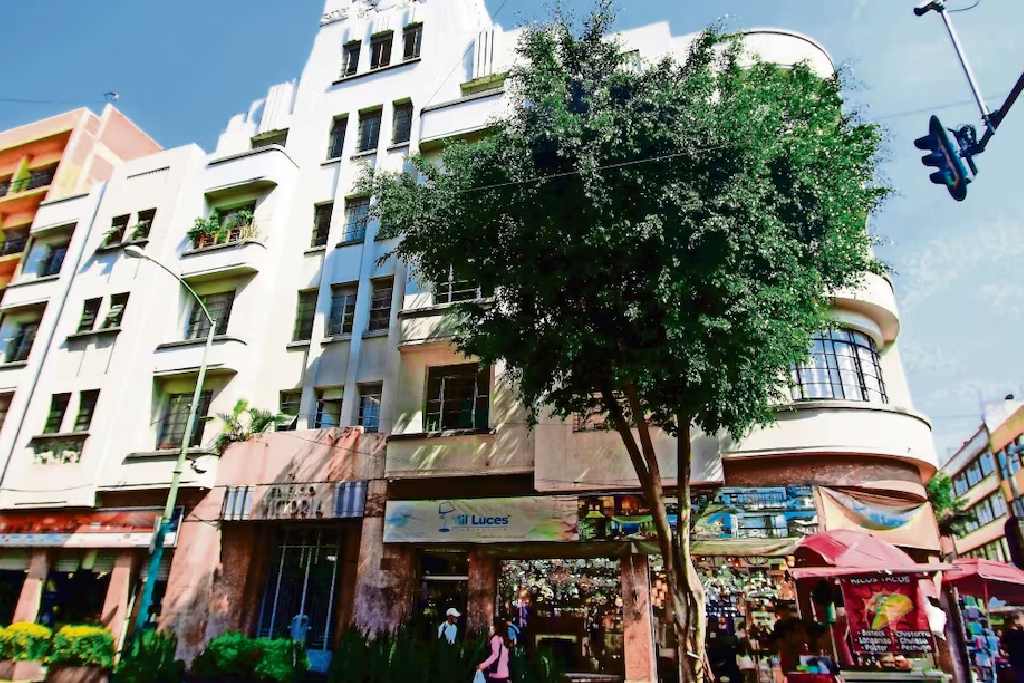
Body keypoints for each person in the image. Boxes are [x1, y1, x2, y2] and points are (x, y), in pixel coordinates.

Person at [479, 617, 511, 682]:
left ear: (497, 627)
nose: (493, 628)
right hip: (505, 674)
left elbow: (494, 655)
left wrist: (483, 665)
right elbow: (506, 658)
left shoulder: (496, 639)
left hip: (496, 674)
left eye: (494, 626)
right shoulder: (505, 639)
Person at [1000, 612, 1024, 683]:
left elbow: (1004, 648)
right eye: (1023, 618)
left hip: (1016, 662)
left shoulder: (1007, 634)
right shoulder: (1016, 633)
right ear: (1016, 620)